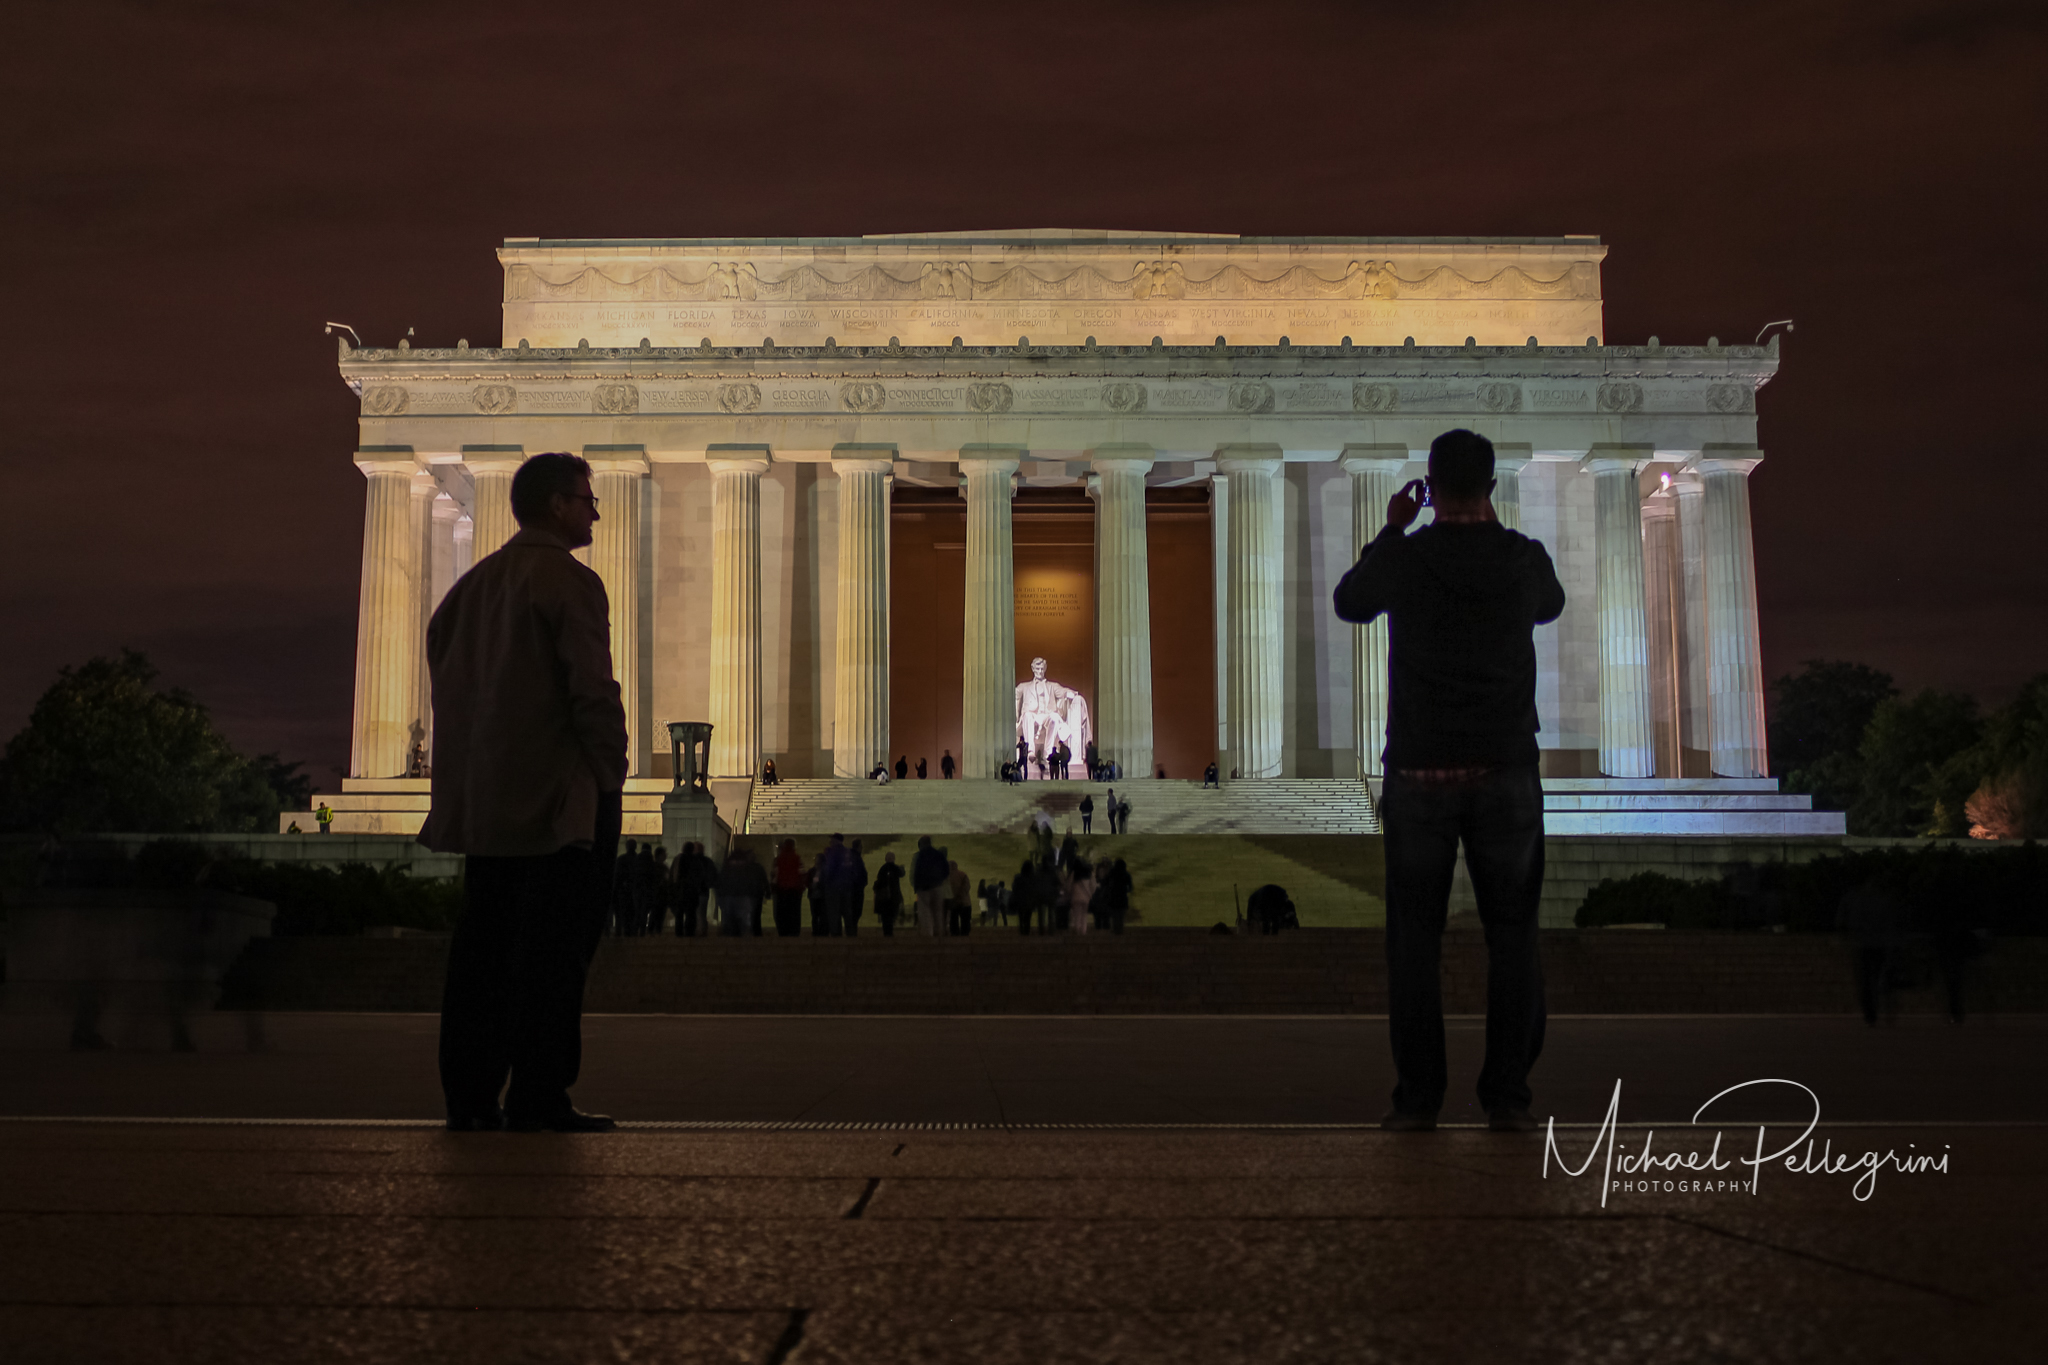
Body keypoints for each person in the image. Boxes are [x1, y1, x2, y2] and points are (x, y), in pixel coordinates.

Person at [1333, 428, 1566, 1135]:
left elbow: (1350, 600)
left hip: (1421, 773)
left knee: (1414, 942)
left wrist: (1393, 527)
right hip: (1504, 771)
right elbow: (1550, 605)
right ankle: (1507, 1096)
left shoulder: (1409, 558)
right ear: (1493, 486)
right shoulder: (1523, 559)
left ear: (1428, 487)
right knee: (1513, 938)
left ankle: (1418, 1099)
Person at [420, 450, 627, 1134]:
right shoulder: (568, 581)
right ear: (559, 505)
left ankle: (470, 1096)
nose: (595, 510)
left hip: (485, 805)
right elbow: (591, 691)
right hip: (554, 805)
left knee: (482, 951)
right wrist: (608, 775)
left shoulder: (467, 589)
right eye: (586, 498)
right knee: (552, 953)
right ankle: (538, 1093)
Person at [716, 848, 760, 936]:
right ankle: (743, 938)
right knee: (744, 919)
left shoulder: (727, 867)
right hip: (743, 895)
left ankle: (729, 936)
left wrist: (720, 896)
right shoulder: (747, 868)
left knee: (728, 918)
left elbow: (721, 882)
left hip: (728, 895)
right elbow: (751, 882)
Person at [911, 835, 949, 935]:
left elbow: (915, 872)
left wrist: (916, 886)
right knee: (937, 912)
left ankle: (929, 936)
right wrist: (940, 880)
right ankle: (939, 935)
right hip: (937, 886)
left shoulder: (919, 855)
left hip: (923, 888)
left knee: (925, 913)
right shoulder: (939, 855)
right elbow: (946, 870)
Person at [772, 838, 806, 937]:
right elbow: (802, 873)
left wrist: (773, 886)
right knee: (795, 913)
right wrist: (802, 886)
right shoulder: (797, 858)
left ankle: (783, 932)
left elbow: (775, 874)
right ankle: (794, 932)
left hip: (782, 890)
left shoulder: (778, 859)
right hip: (795, 890)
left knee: (782, 913)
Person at [873, 851, 905, 936]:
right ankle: (890, 933)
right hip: (894, 897)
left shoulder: (882, 868)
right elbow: (902, 874)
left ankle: (886, 933)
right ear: (893, 859)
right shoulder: (896, 868)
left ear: (885, 859)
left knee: (885, 918)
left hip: (884, 898)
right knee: (891, 916)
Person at [846, 838, 869, 936]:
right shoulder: (856, 858)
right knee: (855, 912)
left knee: (854, 913)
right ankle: (852, 933)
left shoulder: (853, 857)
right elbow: (858, 874)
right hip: (856, 890)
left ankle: (852, 932)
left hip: (854, 889)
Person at [946, 859, 973, 935]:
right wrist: (960, 895)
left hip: (953, 902)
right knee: (965, 921)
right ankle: (965, 936)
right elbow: (967, 887)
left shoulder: (946, 877)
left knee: (953, 921)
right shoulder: (962, 874)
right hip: (965, 902)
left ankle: (955, 937)